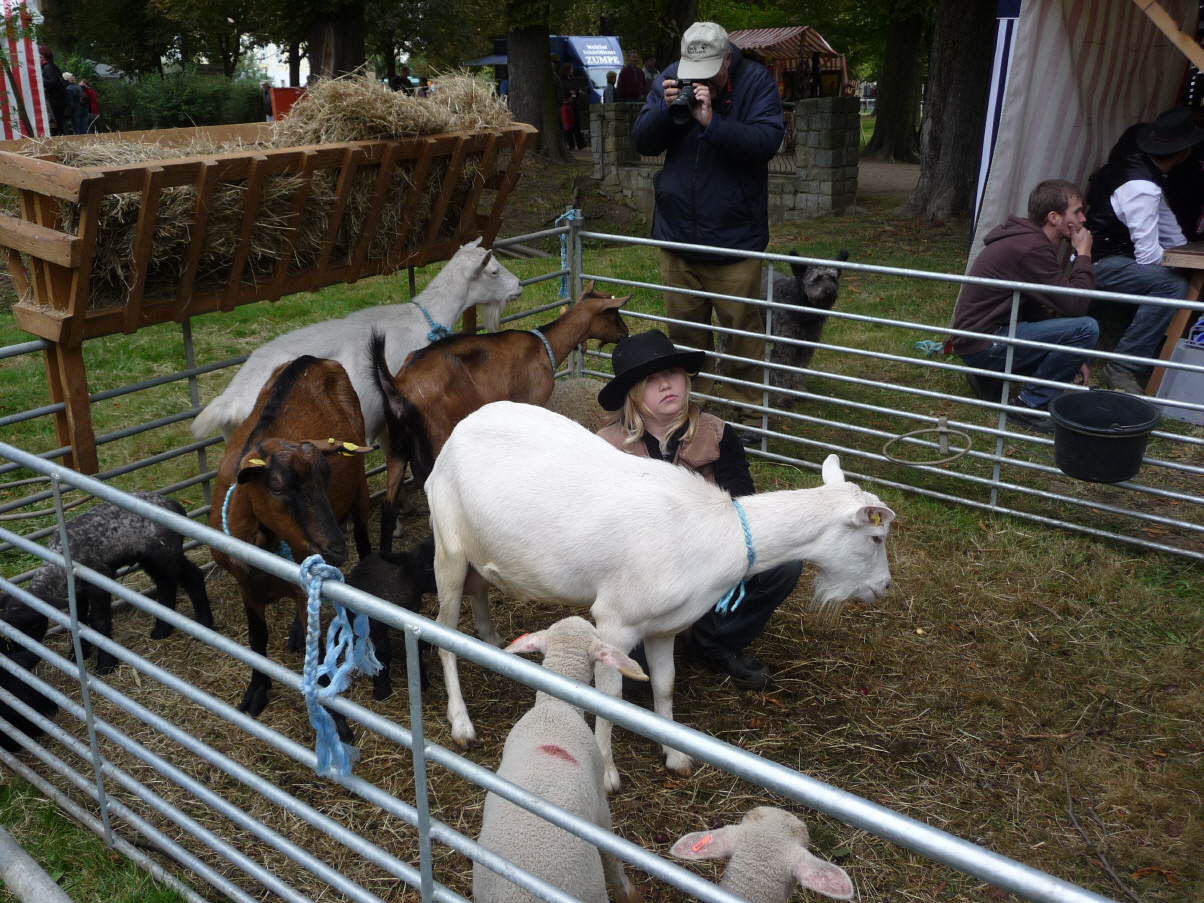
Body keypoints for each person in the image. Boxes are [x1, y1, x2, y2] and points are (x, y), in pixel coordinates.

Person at [596, 330, 803, 690]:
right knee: (633, 685)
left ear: (685, 378)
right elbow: (598, 524)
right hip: (637, 575)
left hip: (707, 559)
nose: (666, 384)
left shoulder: (717, 434)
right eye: (650, 380)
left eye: (672, 373)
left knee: (784, 563)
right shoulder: (606, 447)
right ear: (632, 392)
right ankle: (639, 632)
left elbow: (742, 505)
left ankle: (714, 640)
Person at [631, 21, 784, 442]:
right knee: (684, 335)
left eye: (710, 72)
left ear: (727, 60)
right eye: (693, 71)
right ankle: (690, 410)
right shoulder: (670, 77)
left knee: (742, 332)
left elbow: (766, 143)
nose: (700, 80)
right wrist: (665, 111)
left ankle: (749, 415)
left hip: (734, 237)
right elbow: (642, 141)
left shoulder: (756, 82)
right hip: (678, 235)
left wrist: (713, 123)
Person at [951, 180, 1099, 432]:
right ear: (1054, 217)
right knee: (1086, 328)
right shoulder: (1032, 248)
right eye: (1077, 212)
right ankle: (1027, 406)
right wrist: (1083, 255)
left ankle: (988, 378)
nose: (1083, 219)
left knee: (1076, 334)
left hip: (978, 339)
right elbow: (1076, 305)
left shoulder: (1028, 240)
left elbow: (1030, 305)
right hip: (985, 343)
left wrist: (1072, 355)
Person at [1084, 107, 1204, 394]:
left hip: (1118, 258)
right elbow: (1148, 257)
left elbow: (1173, 236)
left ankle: (1160, 352)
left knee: (1179, 279)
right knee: (1172, 286)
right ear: (1183, 153)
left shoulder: (1148, 174)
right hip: (1097, 263)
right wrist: (1182, 266)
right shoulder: (1142, 186)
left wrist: (1190, 258)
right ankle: (1123, 365)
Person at [555, 62, 586, 150]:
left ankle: (580, 143)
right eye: (570, 69)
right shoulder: (561, 80)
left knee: (577, 124)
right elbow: (561, 92)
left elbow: (576, 89)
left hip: (574, 104)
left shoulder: (573, 79)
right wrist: (568, 94)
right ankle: (570, 144)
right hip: (566, 105)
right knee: (567, 126)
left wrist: (578, 93)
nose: (572, 71)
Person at [38, 46, 67, 136]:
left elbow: (53, 82)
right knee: (57, 127)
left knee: (55, 127)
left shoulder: (48, 68)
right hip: (56, 102)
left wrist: (39, 78)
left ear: (42, 56)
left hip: (53, 103)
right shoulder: (50, 67)